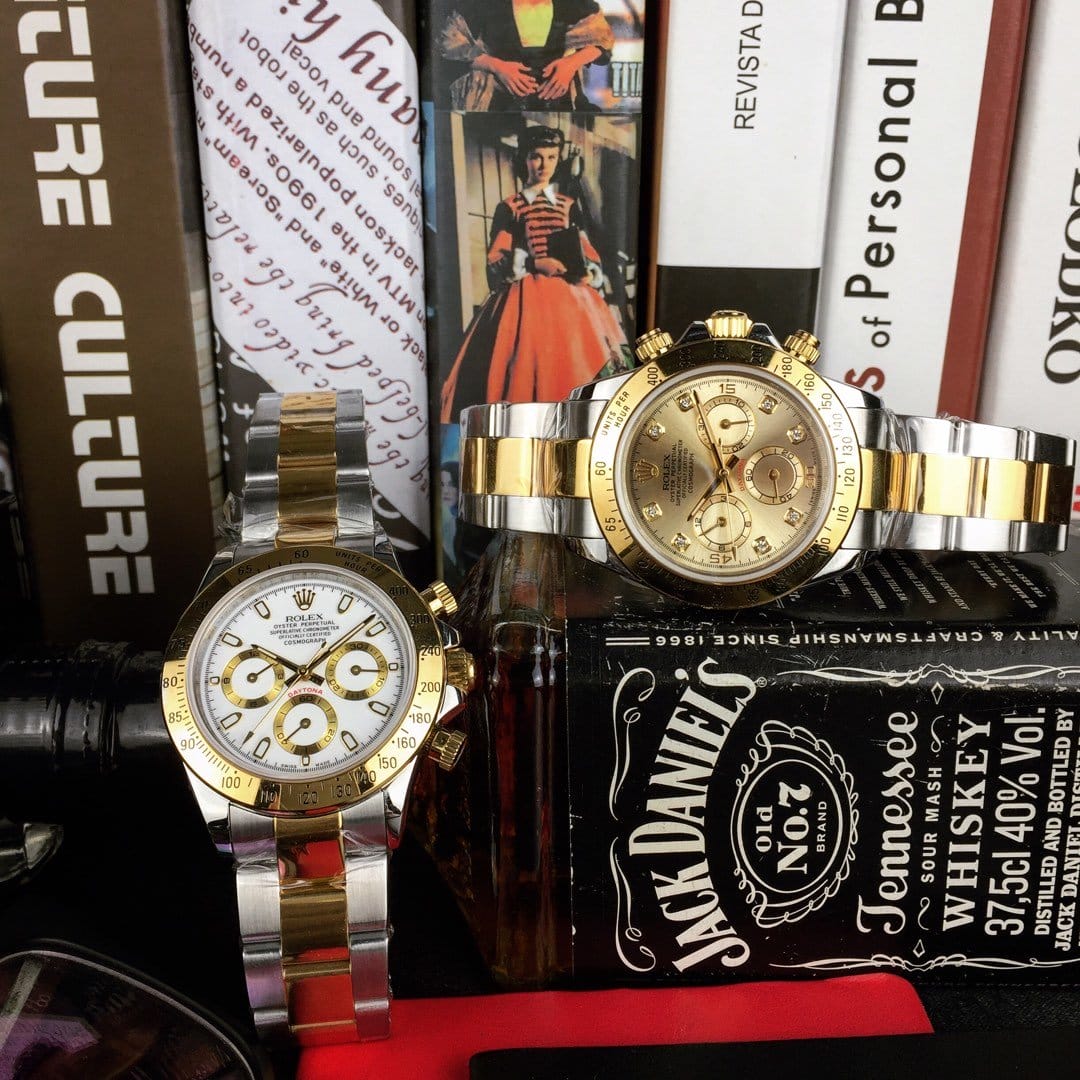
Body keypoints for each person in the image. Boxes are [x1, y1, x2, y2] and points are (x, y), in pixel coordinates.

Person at [440, 125, 629, 423]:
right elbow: (497, 258)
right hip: (525, 296)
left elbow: (586, 250)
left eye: (551, 157)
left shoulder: (568, 206)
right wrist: (535, 264)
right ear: (524, 159)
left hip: (572, 296)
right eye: (536, 157)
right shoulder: (510, 207)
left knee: (580, 359)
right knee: (524, 365)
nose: (543, 165)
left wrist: (586, 271)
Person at [438, 0, 615, 112]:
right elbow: (448, 43)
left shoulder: (574, 3)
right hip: (498, 100)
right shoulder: (480, 4)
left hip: (558, 99)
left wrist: (571, 64)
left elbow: (603, 40)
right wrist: (497, 66)